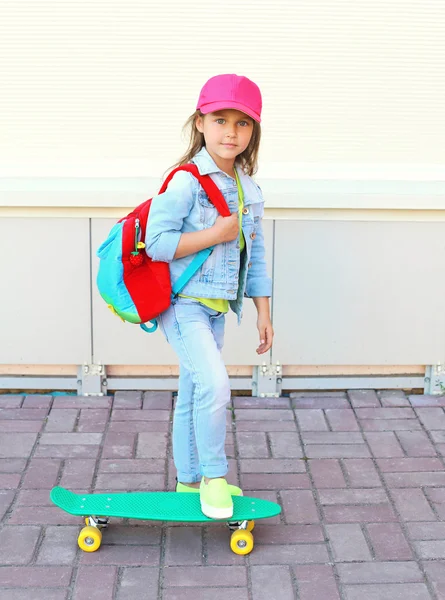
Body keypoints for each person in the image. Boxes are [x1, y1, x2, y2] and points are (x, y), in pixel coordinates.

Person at [145, 74, 273, 519]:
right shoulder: (186, 181)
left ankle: (187, 481)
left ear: (252, 131)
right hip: (183, 305)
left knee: (194, 388)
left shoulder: (248, 188)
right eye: (220, 120)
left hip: (218, 309)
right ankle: (214, 477)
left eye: (242, 123)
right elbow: (157, 243)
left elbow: (254, 256)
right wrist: (214, 234)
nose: (230, 133)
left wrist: (263, 312)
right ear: (200, 123)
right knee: (216, 386)